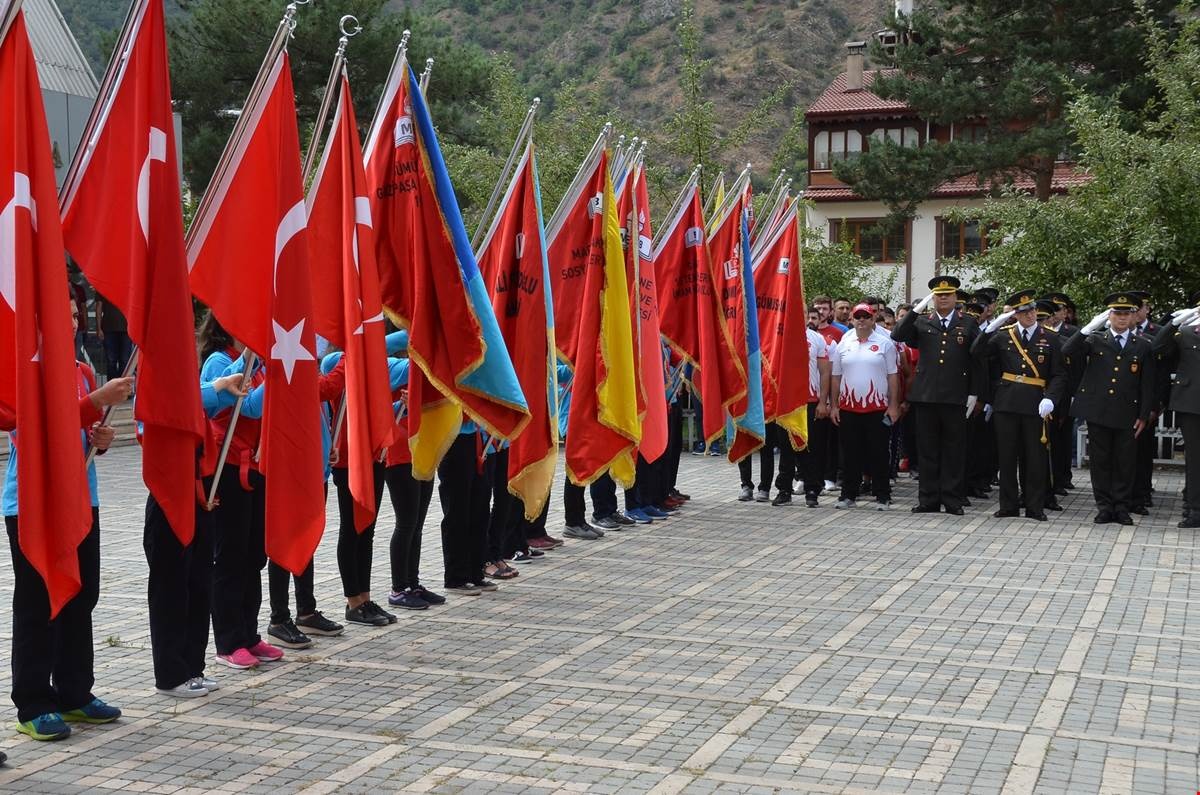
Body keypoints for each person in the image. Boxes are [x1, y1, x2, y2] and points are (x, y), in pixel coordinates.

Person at [3, 295, 133, 741]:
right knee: (38, 601)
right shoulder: (25, 369)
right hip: (34, 503)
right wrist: (96, 400)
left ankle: (75, 693)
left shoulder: (78, 370)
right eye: (67, 314)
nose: (75, 321)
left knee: (82, 594)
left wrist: (100, 434)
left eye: (78, 314)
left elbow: (80, 431)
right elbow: (30, 429)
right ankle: (33, 702)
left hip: (81, 496)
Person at [146, 369, 246, 698]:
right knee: (171, 589)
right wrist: (216, 387)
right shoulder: (154, 383)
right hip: (169, 495)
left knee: (197, 584)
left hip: (200, 491)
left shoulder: (189, 385)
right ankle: (170, 673)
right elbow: (166, 410)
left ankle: (192, 667)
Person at [198, 313, 283, 670]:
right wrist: (273, 371)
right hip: (228, 469)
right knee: (230, 556)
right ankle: (228, 641)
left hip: (255, 468)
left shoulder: (256, 359)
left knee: (252, 556)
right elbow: (244, 405)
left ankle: (249, 633)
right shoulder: (221, 360)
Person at [972, 290, 1067, 521]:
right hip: (1007, 403)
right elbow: (977, 352)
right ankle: (1008, 505)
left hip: (1036, 402)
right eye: (1024, 312)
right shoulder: (1003, 335)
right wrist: (992, 327)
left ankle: (1035, 506)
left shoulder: (1051, 337)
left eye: (1032, 310)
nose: (1030, 315)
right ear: (1015, 315)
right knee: (1006, 456)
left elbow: (1059, 374)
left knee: (1034, 457)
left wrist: (1051, 398)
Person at [1063, 293, 1157, 525]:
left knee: (1125, 462)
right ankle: (1104, 506)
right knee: (1101, 461)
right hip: (1099, 410)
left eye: (1127, 313)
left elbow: (1148, 384)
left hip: (1127, 412)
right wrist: (1087, 328)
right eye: (1118, 313)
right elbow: (1067, 350)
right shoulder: (1095, 339)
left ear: (1133, 315)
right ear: (1110, 315)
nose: (1122, 318)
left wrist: (1144, 415)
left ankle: (1121, 507)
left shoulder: (1143, 345)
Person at [892, 276, 982, 515]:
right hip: (926, 395)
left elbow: (977, 360)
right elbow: (898, 335)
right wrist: (917, 309)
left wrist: (974, 392)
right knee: (927, 450)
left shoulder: (968, 323)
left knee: (954, 450)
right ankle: (928, 499)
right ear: (933, 298)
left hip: (955, 396)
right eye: (939, 295)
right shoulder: (922, 322)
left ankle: (952, 500)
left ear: (955, 297)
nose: (943, 298)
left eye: (948, 294)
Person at [829, 302, 900, 510]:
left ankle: (883, 495)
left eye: (866, 317)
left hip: (877, 408)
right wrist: (834, 405)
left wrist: (894, 405)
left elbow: (893, 376)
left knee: (878, 452)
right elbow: (835, 377)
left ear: (872, 319)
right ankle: (848, 495)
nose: (861, 320)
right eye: (857, 317)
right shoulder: (844, 342)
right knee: (850, 453)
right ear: (852, 319)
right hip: (849, 408)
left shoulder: (885, 343)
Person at [1152, 290, 1200, 528]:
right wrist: (1174, 323)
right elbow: (1158, 348)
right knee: (1195, 460)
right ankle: (1194, 509)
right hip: (1191, 404)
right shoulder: (1185, 333)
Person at [789, 324, 831, 507]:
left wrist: (823, 402)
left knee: (812, 447)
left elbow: (824, 372)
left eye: (803, 311)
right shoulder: (779, 334)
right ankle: (784, 489)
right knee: (788, 447)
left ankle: (812, 490)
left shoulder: (816, 338)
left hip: (811, 399)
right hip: (787, 403)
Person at [96, 292, 133, 381]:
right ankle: (113, 390)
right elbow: (98, 306)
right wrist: (99, 328)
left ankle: (123, 390)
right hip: (109, 328)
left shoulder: (129, 283)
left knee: (124, 361)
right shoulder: (103, 285)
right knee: (111, 361)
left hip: (126, 329)